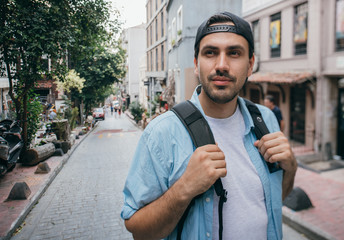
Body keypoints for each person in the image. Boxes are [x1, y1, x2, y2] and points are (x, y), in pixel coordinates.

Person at [121, 11, 297, 240]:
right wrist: (184, 188)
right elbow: (139, 232)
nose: (221, 65)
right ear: (196, 64)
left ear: (250, 64)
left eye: (234, 53)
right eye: (210, 53)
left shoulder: (265, 119)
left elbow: (272, 200)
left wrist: (291, 168)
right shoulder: (161, 133)